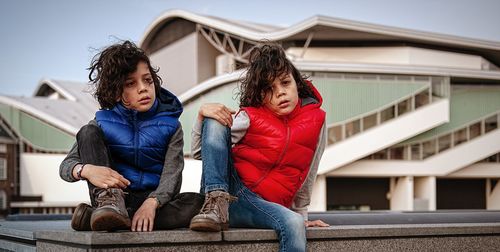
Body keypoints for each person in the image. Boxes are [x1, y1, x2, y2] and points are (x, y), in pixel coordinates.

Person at [189, 43, 329, 251]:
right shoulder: (249, 117)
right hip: (233, 191)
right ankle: (216, 204)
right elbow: (201, 153)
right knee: (217, 116)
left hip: (263, 206)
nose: (280, 93)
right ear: (260, 95)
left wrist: (300, 214)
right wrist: (201, 116)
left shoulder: (316, 120)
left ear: (297, 83)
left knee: (293, 223)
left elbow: (309, 170)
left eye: (285, 83)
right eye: (269, 89)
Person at [59, 40, 203, 232]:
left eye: (148, 80)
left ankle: (102, 219)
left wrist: (153, 202)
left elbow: (172, 177)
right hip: (112, 197)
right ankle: (109, 209)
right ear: (117, 92)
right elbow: (66, 166)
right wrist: (86, 170)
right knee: (87, 132)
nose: (143, 88)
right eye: (131, 83)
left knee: (197, 203)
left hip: (153, 201)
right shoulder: (101, 122)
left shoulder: (171, 125)